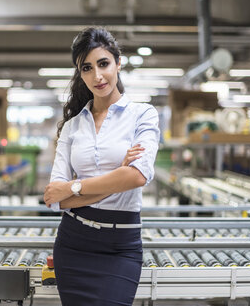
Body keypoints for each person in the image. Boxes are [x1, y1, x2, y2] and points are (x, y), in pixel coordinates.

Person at [43, 27, 160, 306]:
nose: (97, 76)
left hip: (121, 246)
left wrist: (74, 188)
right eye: (87, 68)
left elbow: (137, 176)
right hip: (73, 243)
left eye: (103, 63)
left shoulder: (143, 115)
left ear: (118, 63)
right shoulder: (72, 127)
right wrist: (116, 176)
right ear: (80, 74)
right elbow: (53, 197)